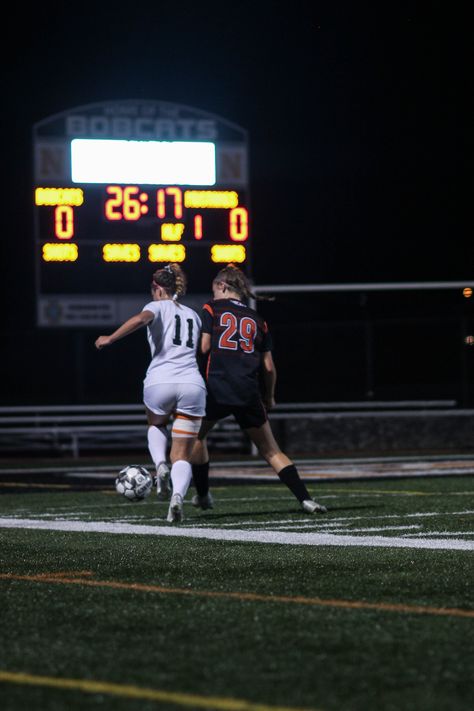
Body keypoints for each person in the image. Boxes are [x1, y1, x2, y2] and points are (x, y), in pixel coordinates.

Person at [191, 264, 327, 514]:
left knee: (197, 437)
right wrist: (270, 395)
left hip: (216, 387)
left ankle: (203, 495)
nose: (214, 295)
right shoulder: (258, 320)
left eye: (215, 290)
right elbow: (268, 366)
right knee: (271, 450)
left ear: (222, 286)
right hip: (247, 390)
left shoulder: (211, 307)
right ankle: (306, 499)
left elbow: (204, 347)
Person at [95, 263, 206, 523]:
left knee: (156, 424)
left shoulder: (154, 306)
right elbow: (202, 347)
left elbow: (139, 320)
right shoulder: (194, 313)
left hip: (160, 381)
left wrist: (110, 338)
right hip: (192, 383)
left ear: (157, 288)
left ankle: (159, 466)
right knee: (182, 453)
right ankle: (177, 496)